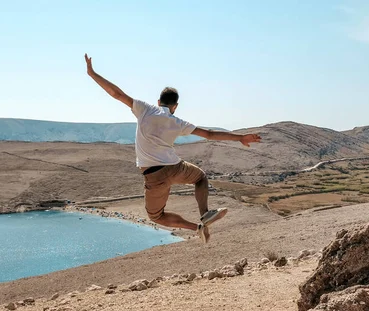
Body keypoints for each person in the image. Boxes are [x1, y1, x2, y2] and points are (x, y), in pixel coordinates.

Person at [84, 54, 261, 243]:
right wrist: (240, 137)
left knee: (156, 216)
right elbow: (209, 134)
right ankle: (204, 216)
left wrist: (92, 73)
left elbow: (116, 94)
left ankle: (196, 228)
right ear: (175, 106)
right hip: (176, 167)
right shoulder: (178, 122)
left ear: (158, 101)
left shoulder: (144, 109)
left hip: (154, 176)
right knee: (200, 177)